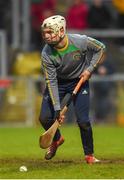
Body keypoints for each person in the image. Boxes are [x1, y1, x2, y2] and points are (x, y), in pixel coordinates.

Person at [39, 15, 106, 164]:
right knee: (44, 118)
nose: (46, 36)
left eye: (50, 32)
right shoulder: (46, 54)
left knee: (83, 121)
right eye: (45, 33)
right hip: (59, 83)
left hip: (79, 82)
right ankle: (57, 139)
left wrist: (90, 69)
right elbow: (51, 81)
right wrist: (57, 108)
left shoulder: (79, 41)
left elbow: (100, 48)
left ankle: (89, 155)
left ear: (61, 30)